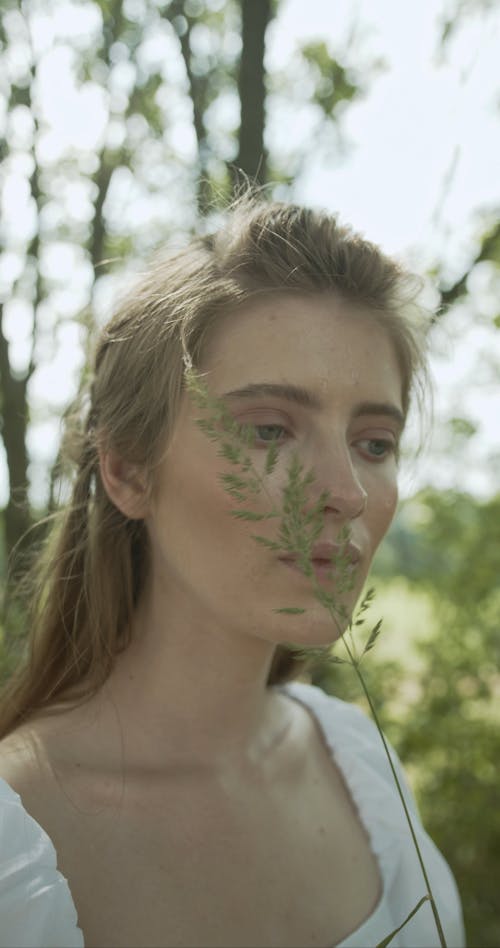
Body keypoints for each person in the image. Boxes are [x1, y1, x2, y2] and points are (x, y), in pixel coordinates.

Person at [0, 196, 464, 948]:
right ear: (127, 471)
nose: (345, 491)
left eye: (374, 442)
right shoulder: (16, 850)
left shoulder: (359, 764)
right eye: (270, 431)